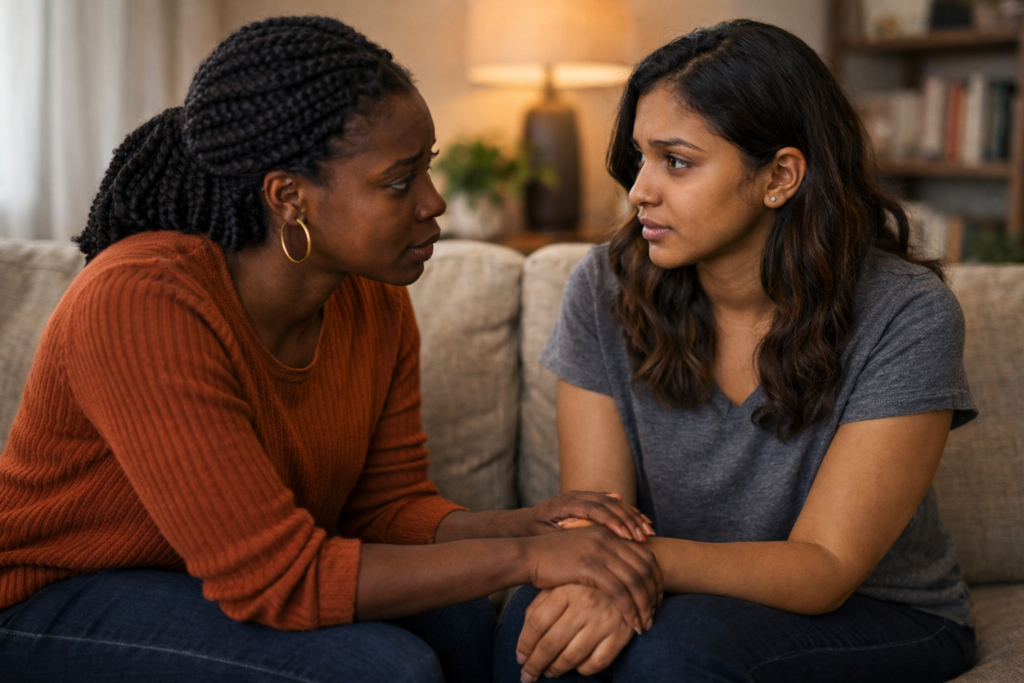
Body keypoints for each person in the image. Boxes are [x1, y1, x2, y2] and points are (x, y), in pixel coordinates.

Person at [0, 16, 663, 683]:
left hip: (205, 579)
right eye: (400, 182)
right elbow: (279, 580)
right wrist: (526, 558)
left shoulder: (372, 296)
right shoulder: (141, 299)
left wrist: (528, 526)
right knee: (382, 668)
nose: (435, 202)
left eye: (427, 168)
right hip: (50, 594)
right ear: (289, 197)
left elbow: (387, 512)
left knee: (461, 621)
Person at [495, 19, 978, 683]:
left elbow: (825, 568)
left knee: (680, 651)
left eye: (677, 161)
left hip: (878, 610)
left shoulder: (907, 312)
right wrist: (588, 573)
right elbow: (597, 507)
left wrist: (636, 566)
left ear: (780, 175)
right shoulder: (603, 284)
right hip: (677, 593)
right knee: (534, 622)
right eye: (639, 157)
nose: (639, 190)